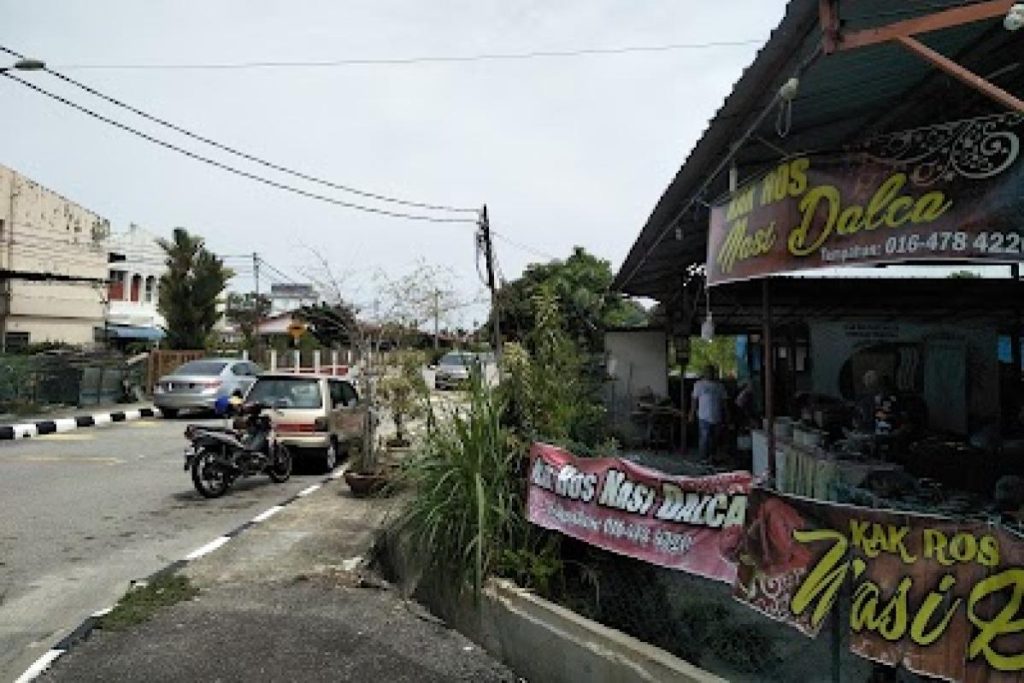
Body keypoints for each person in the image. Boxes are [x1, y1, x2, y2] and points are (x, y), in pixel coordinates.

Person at [690, 365, 728, 461]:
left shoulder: (720, 386)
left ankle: (712, 457)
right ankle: (703, 458)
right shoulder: (699, 384)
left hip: (717, 416)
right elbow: (694, 400)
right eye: (707, 372)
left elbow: (724, 402)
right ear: (704, 373)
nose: (709, 374)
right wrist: (691, 413)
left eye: (711, 372)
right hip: (703, 416)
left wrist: (727, 413)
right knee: (704, 438)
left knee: (715, 438)